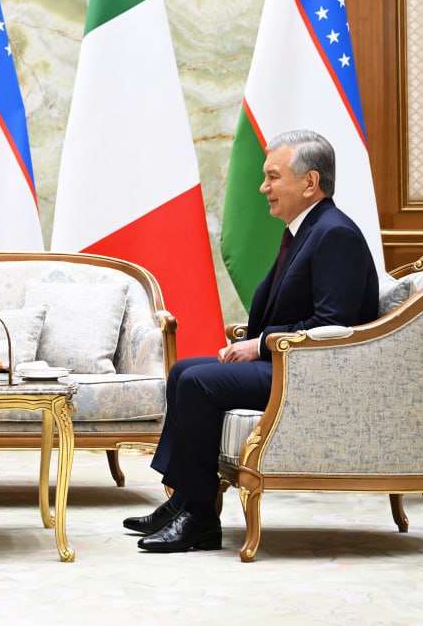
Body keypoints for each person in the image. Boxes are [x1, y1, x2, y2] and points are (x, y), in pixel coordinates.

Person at [126, 130, 379, 552]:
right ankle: (185, 499)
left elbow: (332, 325)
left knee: (198, 382)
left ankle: (200, 519)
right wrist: (260, 343)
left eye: (273, 177)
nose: (263, 187)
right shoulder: (307, 230)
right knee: (184, 370)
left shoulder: (336, 234)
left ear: (310, 182)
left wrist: (260, 345)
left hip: (312, 374)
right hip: (289, 364)